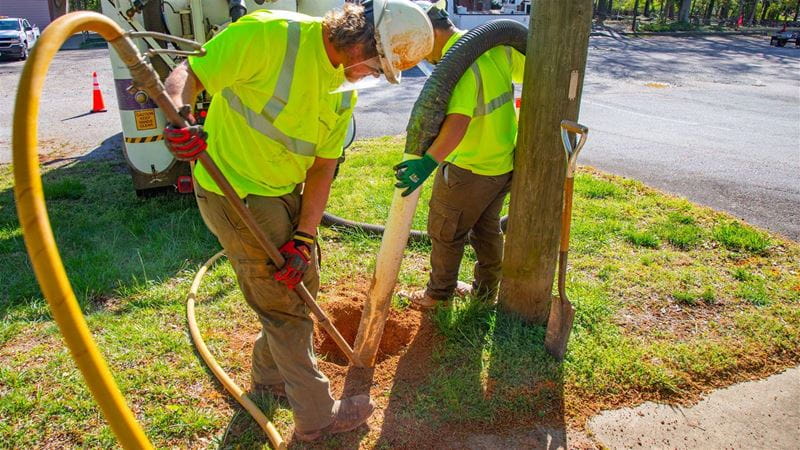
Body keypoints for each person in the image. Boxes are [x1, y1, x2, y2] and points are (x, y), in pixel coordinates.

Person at [162, 1, 433, 441]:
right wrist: (180, 112)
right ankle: (317, 417)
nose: (373, 75)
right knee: (284, 309)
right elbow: (191, 72)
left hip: (286, 191)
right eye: (376, 65)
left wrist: (304, 238)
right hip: (238, 191)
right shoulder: (271, 34)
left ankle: (269, 380)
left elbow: (322, 168)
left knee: (300, 281)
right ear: (360, 41)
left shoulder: (343, 90)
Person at [395, 1, 524, 309]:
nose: (422, 56)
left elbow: (457, 125)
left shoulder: (460, 61)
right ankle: (484, 293)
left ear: (426, 35)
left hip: (469, 169)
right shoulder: (494, 46)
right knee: (486, 230)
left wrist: (426, 164)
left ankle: (437, 296)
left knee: (446, 231)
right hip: (501, 163)